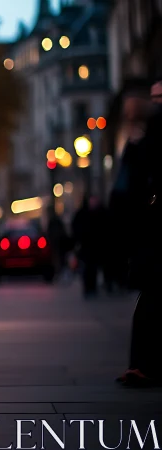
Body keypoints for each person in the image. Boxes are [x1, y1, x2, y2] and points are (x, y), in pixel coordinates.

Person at [115, 76, 162, 386]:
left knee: (151, 296)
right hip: (151, 227)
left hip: (149, 227)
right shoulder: (143, 140)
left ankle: (142, 364)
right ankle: (143, 364)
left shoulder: (143, 139)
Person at [72, 194, 108, 297]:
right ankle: (88, 288)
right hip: (86, 246)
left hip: (95, 246)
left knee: (93, 268)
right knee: (87, 268)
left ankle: (93, 287)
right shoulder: (83, 214)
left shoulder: (99, 213)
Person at [46, 207, 68, 280]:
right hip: (56, 244)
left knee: (58, 259)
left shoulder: (54, 223)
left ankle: (58, 273)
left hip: (57, 244)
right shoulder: (56, 222)